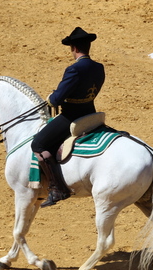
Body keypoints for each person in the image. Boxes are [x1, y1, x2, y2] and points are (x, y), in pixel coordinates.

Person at [31, 27, 106, 207]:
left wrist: (51, 98)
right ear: (88, 47)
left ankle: (58, 189)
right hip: (91, 113)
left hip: (72, 117)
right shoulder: (99, 67)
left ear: (74, 48)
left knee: (38, 144)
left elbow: (57, 99)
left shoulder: (74, 69)